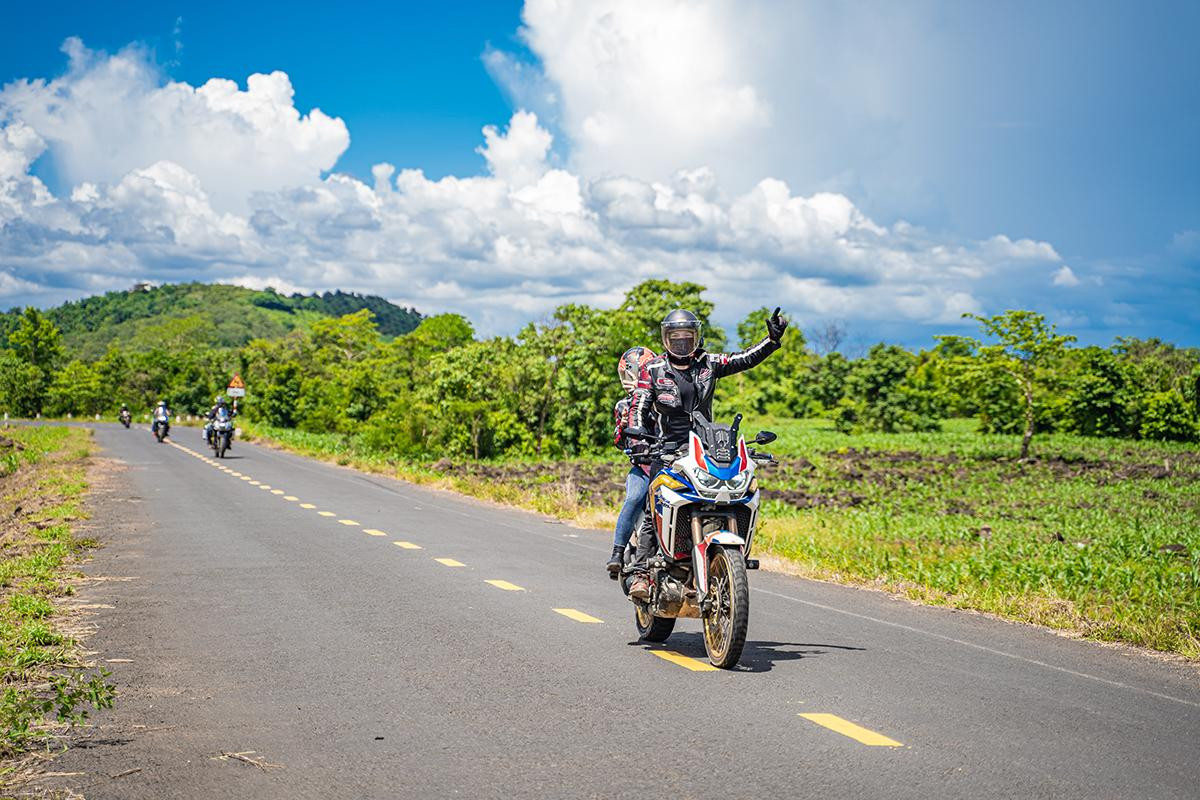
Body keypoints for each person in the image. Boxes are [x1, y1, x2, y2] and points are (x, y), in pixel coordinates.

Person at [625, 307, 788, 600]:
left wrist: (771, 340)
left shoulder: (708, 363)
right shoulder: (653, 370)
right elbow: (639, 405)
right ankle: (640, 574)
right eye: (676, 338)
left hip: (705, 447)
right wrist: (636, 434)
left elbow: (743, 359)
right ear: (666, 340)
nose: (682, 344)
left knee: (721, 496)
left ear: (696, 338)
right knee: (654, 505)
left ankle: (715, 559)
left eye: (687, 338)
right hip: (666, 448)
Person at [607, 346, 658, 576]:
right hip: (642, 467)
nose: (627, 381)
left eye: (631, 375)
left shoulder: (663, 401)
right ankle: (617, 553)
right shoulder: (623, 405)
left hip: (667, 464)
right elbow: (619, 440)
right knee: (635, 497)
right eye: (624, 376)